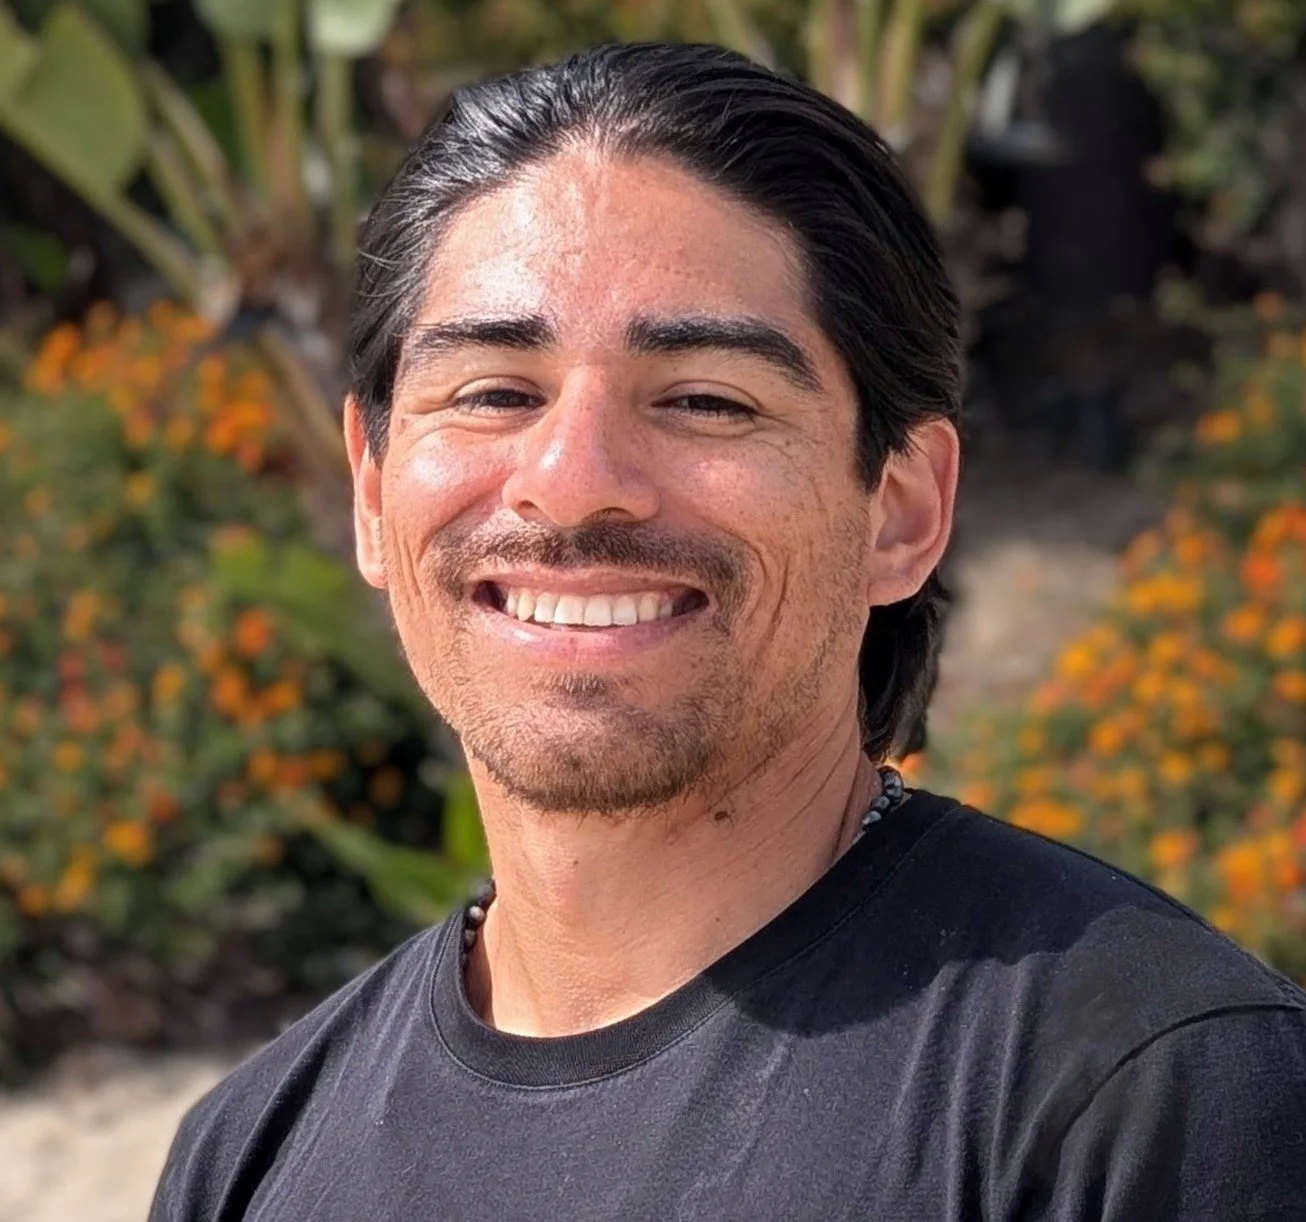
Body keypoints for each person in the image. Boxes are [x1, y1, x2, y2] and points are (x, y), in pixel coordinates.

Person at [150, 42, 1306, 1221]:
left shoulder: (1146, 1095)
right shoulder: (252, 1155)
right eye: (494, 392)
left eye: (705, 399)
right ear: (369, 488)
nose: (573, 481)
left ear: (901, 510)